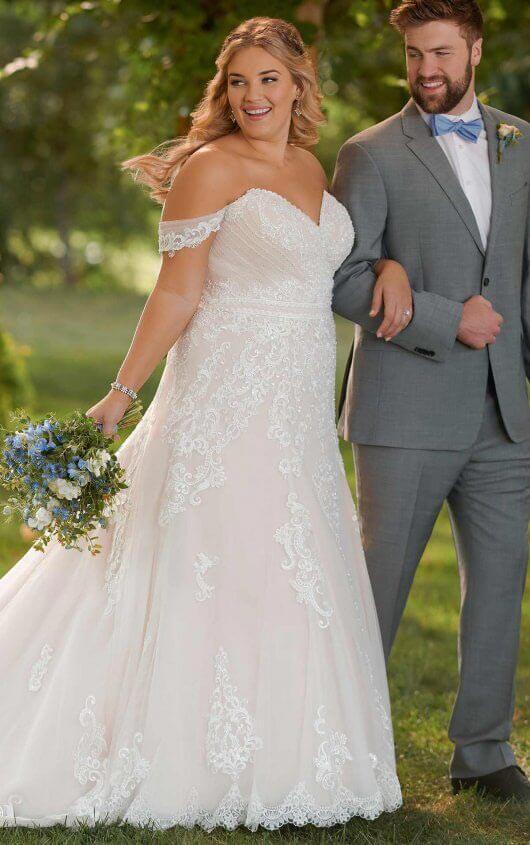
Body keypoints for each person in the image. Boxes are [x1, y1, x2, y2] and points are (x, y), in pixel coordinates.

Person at [0, 17, 405, 830]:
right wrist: (121, 390)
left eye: (268, 79)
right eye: (238, 81)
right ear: (223, 91)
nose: (252, 95)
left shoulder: (306, 165)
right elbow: (177, 292)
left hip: (296, 398)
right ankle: (179, 750)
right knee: (210, 551)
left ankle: (284, 751)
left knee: (285, 559)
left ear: (298, 86)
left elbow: (323, 267)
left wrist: (389, 264)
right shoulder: (209, 168)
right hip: (224, 388)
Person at [332, 0, 530, 802]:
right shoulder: (369, 154)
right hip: (403, 413)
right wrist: (451, 319)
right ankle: (346, 750)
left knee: (499, 587)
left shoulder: (520, 142)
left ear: (476, 49)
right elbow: (344, 278)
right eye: (414, 54)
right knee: (375, 589)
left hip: (505, 418)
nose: (426, 71)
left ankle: (483, 754)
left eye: (441, 52)